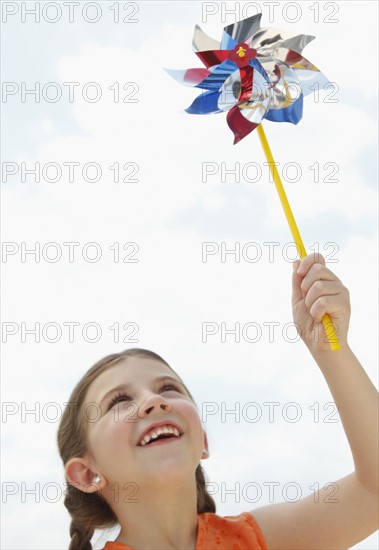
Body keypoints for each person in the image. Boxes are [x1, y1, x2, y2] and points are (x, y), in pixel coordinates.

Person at [57, 253, 378, 549]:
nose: (154, 400)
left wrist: (331, 351)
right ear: (86, 473)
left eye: (169, 388)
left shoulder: (259, 539)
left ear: (203, 442)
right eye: (119, 401)